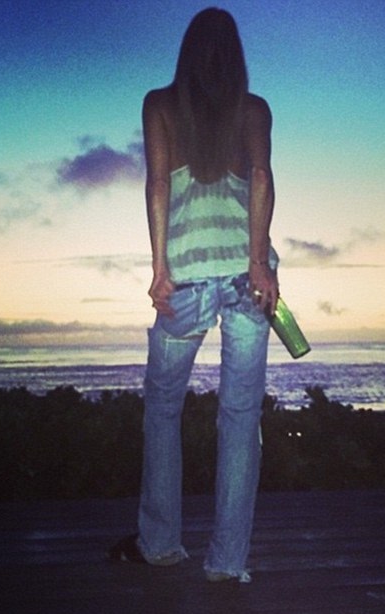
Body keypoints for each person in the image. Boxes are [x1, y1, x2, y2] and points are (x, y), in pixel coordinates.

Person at [110, 8, 279, 584]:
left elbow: (158, 183)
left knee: (163, 409)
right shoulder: (254, 109)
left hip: (185, 277)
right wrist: (257, 264)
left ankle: (159, 544)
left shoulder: (159, 104)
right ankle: (227, 562)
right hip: (245, 279)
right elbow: (261, 178)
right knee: (240, 417)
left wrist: (160, 268)